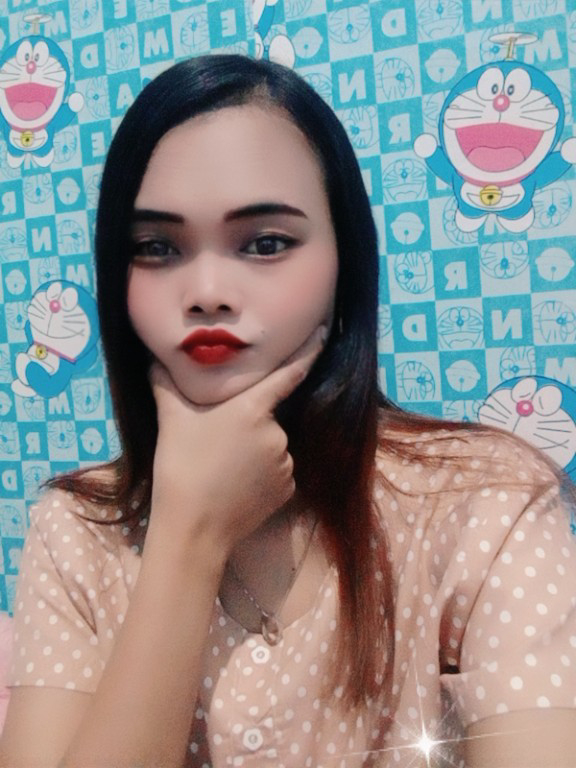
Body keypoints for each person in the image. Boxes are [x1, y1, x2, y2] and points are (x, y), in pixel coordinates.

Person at [1, 54, 576, 768]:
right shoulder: (76, 530)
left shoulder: (485, 503)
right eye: (156, 248)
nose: (207, 291)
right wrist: (188, 535)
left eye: (266, 243)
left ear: (345, 264)